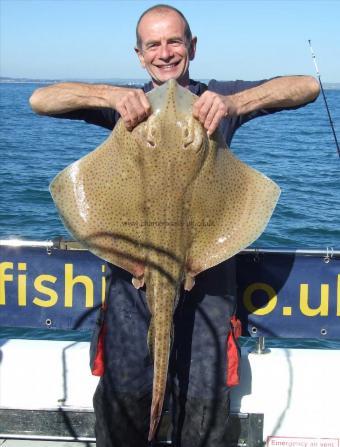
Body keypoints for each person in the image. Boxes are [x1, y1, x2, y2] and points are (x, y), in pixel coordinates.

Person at [29, 4, 320, 447]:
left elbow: (309, 85)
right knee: (125, 401)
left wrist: (234, 103)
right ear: (140, 55)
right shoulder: (129, 106)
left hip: (207, 279)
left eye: (174, 41)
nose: (165, 52)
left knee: (202, 409)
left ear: (192, 47)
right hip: (131, 280)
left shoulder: (217, 99)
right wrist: (110, 97)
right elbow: (40, 100)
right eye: (153, 44)